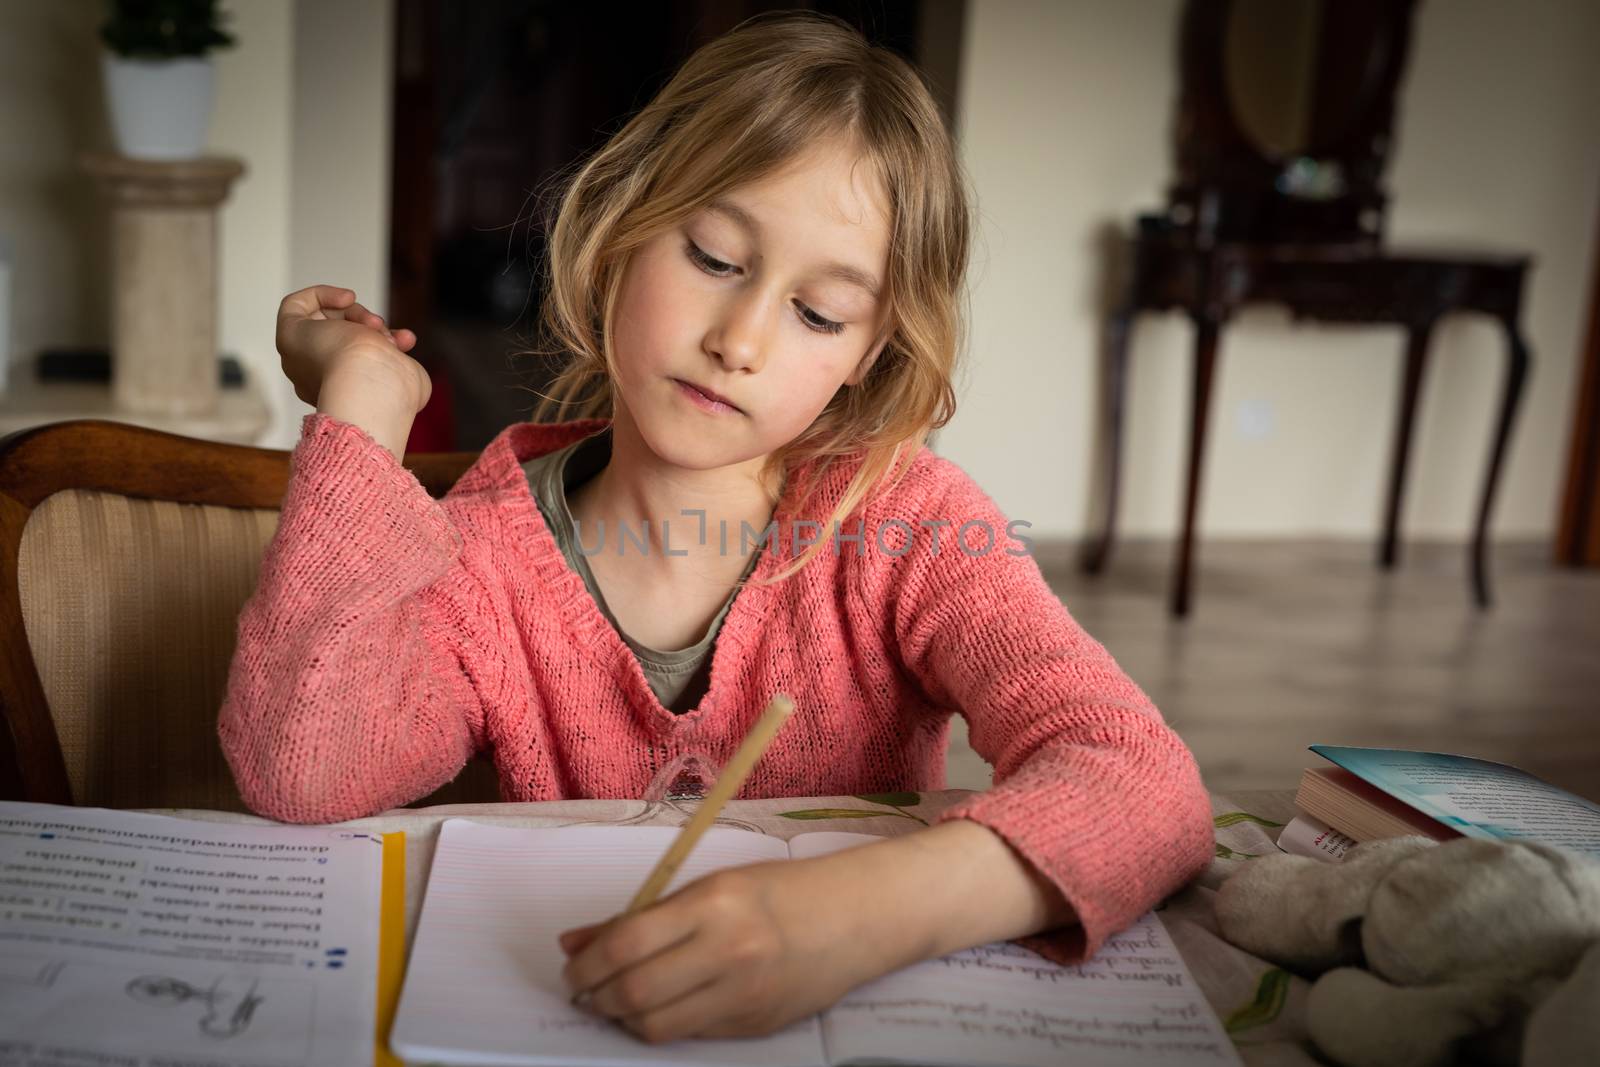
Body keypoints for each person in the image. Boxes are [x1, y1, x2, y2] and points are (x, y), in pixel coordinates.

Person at [219, 10, 1212, 1046]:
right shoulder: (485, 553)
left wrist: (851, 916)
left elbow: (1143, 782)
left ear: (866, 355)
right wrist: (366, 407)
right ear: (623, 224)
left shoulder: (910, 524)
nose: (738, 340)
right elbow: (303, 772)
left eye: (819, 313)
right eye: (712, 255)